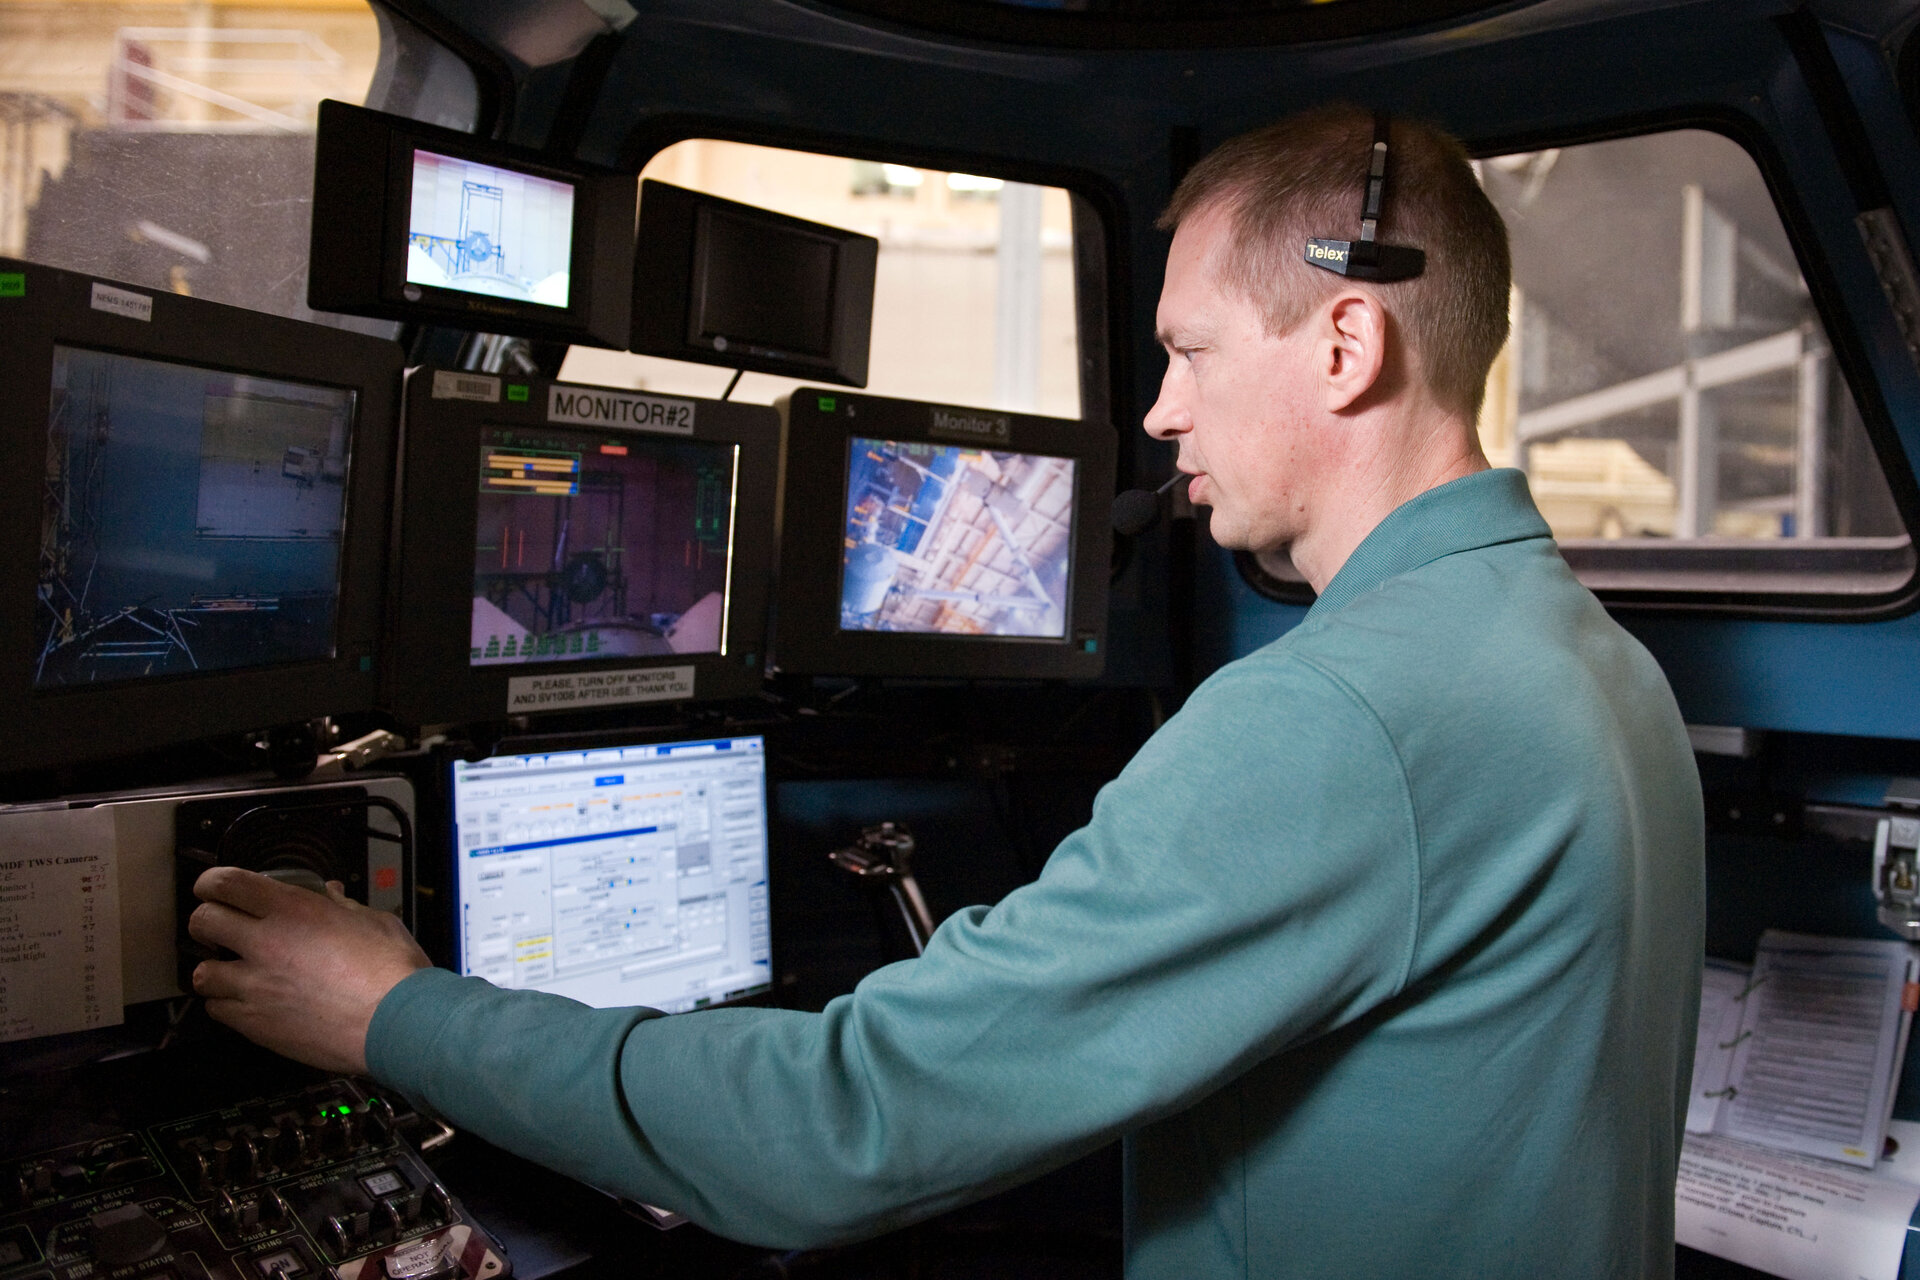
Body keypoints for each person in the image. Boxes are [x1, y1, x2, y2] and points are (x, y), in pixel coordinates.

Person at [189, 104, 1704, 1278]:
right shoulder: (1588, 657)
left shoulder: (1336, 715)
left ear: (1348, 342)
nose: (1162, 412)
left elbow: (841, 1128)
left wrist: (390, 1010)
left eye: (1184, 352)